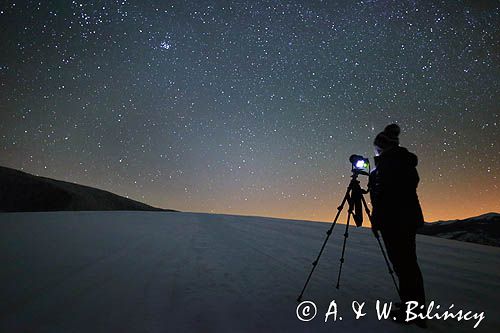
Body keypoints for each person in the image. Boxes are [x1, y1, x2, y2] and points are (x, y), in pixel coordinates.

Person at [368, 124, 427, 328]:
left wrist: (376, 176)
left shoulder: (390, 164)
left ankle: (414, 312)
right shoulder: (402, 162)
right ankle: (411, 305)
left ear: (382, 148)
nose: (375, 151)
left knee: (404, 265)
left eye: (377, 148)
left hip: (394, 221)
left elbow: (384, 196)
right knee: (407, 264)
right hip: (405, 219)